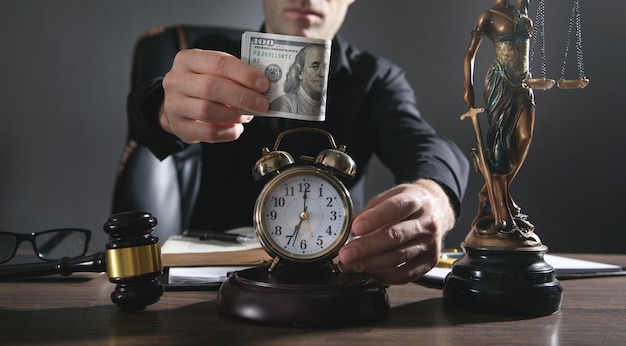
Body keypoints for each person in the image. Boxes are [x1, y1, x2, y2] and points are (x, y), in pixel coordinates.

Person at [127, 0, 469, 285]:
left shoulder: (375, 79)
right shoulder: (211, 58)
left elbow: (422, 141)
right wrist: (164, 111)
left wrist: (434, 196)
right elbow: (144, 117)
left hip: (334, 272)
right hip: (216, 282)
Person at [462, 0, 539, 245]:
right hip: (500, 83)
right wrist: (468, 89)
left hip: (523, 84)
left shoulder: (523, 12)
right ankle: (502, 209)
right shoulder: (490, 16)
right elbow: (470, 54)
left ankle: (491, 192)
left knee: (524, 138)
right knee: (500, 145)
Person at [269, 44, 327, 115]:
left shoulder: (331, 102)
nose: (322, 74)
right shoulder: (284, 104)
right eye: (315, 67)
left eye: (326, 68)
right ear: (300, 72)